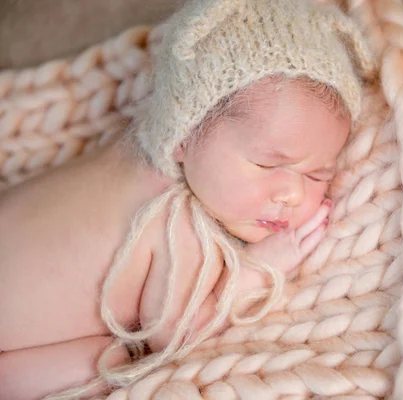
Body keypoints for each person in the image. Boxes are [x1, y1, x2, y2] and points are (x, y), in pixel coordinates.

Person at [0, 0, 375, 398]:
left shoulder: (128, 150)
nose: (293, 193)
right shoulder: (175, 222)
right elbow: (175, 335)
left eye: (318, 174)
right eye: (268, 165)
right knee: (104, 366)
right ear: (184, 135)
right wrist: (254, 273)